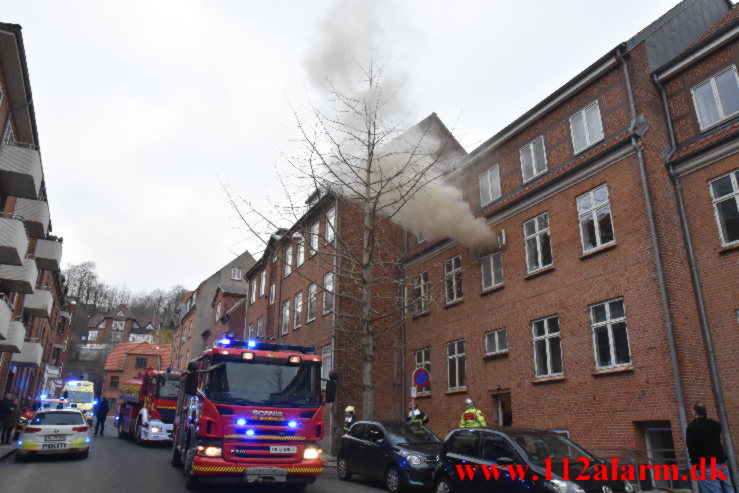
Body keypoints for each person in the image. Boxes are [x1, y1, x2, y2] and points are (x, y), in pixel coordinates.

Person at [686, 403, 735, 493]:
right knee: (728, 489)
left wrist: (695, 465)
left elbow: (692, 449)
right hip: (720, 463)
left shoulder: (691, 428)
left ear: (694, 412)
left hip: (705, 465)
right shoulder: (715, 425)